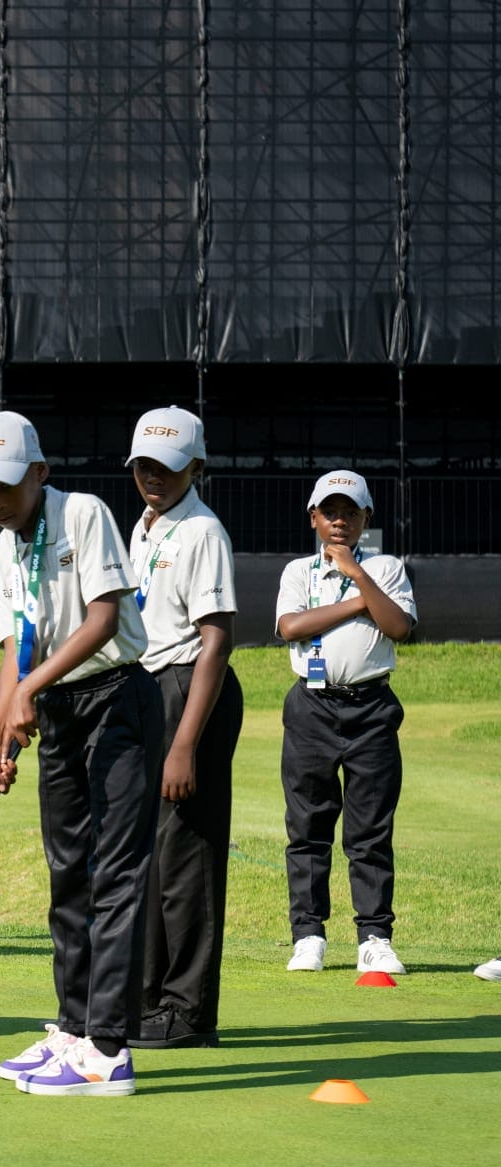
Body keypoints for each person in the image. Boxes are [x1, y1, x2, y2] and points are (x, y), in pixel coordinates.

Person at [0, 410, 161, 1098]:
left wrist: (32, 692)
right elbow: (16, 652)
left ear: (39, 473)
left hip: (117, 700)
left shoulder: (84, 516)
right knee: (67, 871)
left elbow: (105, 617)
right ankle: (74, 1030)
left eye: (4, 487)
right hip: (61, 716)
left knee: (116, 874)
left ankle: (109, 1050)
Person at [120, 407, 243, 1052]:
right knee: (150, 856)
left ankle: (187, 1011)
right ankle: (145, 1001)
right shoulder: (145, 526)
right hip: (151, 689)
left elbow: (217, 638)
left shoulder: (202, 531)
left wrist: (185, 743)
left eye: (166, 467)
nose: (152, 477)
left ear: (196, 466)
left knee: (186, 860)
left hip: (193, 690)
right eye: (143, 464)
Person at [274, 471, 416, 976]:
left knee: (370, 830)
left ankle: (374, 935)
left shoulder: (385, 568)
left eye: (350, 512)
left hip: (371, 709)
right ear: (313, 517)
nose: (339, 521)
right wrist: (359, 603)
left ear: (366, 519)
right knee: (308, 826)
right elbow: (291, 627)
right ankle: (308, 934)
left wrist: (358, 576)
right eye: (329, 511)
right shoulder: (297, 571)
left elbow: (398, 626)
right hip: (312, 707)